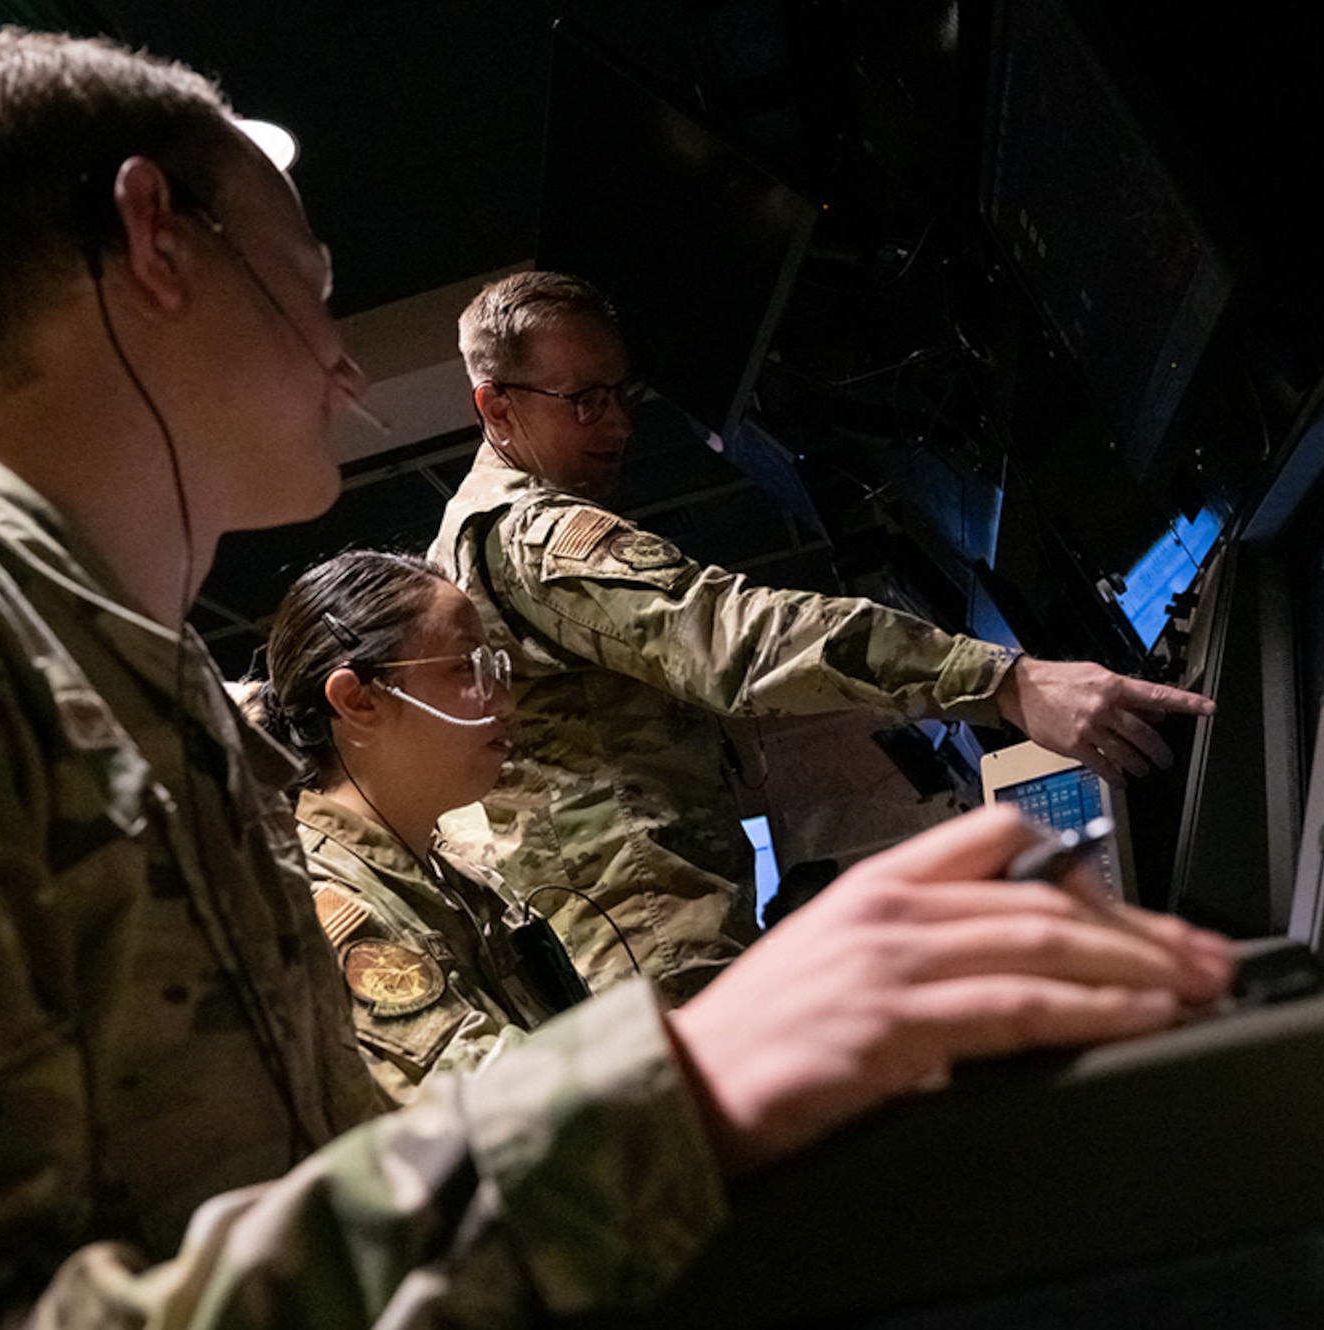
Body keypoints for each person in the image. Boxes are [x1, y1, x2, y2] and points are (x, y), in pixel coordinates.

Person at [0, 27, 1234, 1328]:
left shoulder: (159, 711)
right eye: (310, 280)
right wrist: (667, 1093)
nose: (341, 358)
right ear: (157, 239)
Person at [433, 271, 1220, 1001]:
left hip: (615, 945)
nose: (619, 422)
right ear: (496, 406)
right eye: (583, 401)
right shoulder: (533, 540)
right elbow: (733, 638)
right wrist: (1003, 682)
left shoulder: (465, 540)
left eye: (620, 391)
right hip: (649, 949)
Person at [254, 547, 569, 1092]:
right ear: (359, 701)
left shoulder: (463, 883)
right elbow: (497, 1104)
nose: (503, 701)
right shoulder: (320, 906)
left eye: (493, 668)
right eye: (465, 668)